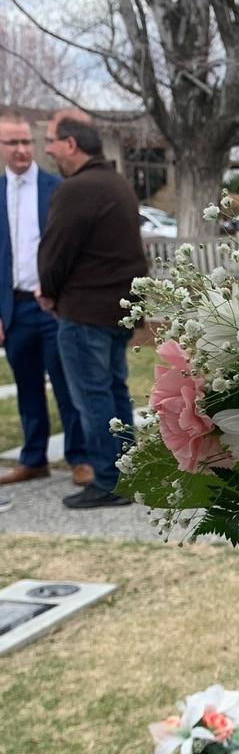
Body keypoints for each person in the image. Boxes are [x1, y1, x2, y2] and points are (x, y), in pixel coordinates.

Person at [38, 113, 148, 510]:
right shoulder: (116, 183)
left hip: (85, 312)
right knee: (114, 392)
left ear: (70, 144)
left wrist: (47, 291)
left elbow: (56, 252)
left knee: (93, 397)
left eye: (50, 140)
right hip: (115, 311)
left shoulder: (78, 189)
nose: (47, 149)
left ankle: (108, 479)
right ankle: (126, 473)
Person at [0, 108, 90, 487]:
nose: (22, 149)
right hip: (14, 309)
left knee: (66, 384)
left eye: (26, 141)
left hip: (51, 308)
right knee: (27, 386)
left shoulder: (56, 189)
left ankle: (80, 458)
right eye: (13, 142)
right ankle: (33, 457)